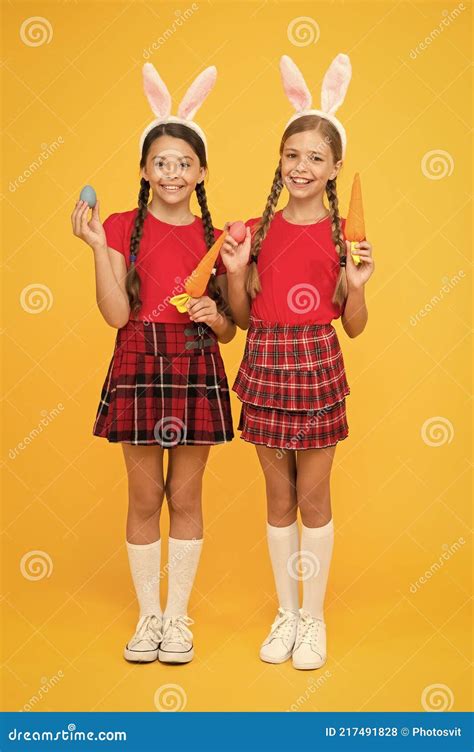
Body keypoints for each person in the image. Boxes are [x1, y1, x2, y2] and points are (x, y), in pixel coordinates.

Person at [71, 63, 235, 665]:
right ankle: (147, 619)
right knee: (144, 500)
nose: (172, 172)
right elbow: (115, 315)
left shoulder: (216, 236)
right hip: (138, 360)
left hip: (194, 364)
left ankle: (178, 619)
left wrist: (212, 317)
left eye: (184, 163)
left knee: (186, 499)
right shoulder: (118, 227)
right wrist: (95, 248)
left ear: (201, 173)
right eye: (161, 162)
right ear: (144, 170)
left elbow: (231, 326)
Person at [221, 54, 375, 670]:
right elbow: (239, 317)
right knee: (276, 497)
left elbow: (356, 328)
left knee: (314, 498)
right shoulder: (254, 232)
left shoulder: (345, 236)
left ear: (335, 166)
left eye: (316, 156)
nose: (302, 166)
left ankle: (314, 620)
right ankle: (287, 612)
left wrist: (358, 284)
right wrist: (235, 274)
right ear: (280, 161)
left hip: (315, 364)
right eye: (293, 155)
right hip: (264, 360)